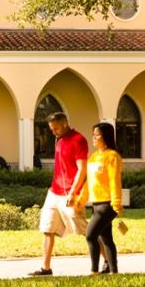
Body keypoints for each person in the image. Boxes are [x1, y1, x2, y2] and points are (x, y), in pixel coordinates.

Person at [30, 112, 88, 277]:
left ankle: (107, 262)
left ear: (64, 123)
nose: (53, 132)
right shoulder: (59, 140)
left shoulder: (78, 140)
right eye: (51, 129)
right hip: (54, 192)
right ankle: (45, 268)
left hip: (70, 193)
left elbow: (82, 169)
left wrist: (73, 191)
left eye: (55, 128)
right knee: (47, 228)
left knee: (85, 230)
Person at [81, 122, 128, 274]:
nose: (94, 138)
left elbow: (115, 181)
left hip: (108, 204)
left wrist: (116, 203)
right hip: (96, 203)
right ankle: (114, 272)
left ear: (106, 136)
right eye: (93, 135)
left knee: (90, 235)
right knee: (106, 238)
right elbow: (89, 182)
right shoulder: (94, 157)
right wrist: (80, 199)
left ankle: (94, 271)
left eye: (97, 135)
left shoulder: (112, 156)